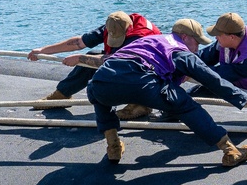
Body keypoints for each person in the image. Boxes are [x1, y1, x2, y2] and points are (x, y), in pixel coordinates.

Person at [86, 18, 247, 166]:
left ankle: (113, 147)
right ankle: (230, 150)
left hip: (103, 79)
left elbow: (123, 63)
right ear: (185, 38)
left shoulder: (150, 40)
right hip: (142, 81)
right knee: (186, 106)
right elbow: (213, 81)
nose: (198, 48)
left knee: (98, 95)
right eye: (197, 42)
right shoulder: (180, 50)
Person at [28, 11, 160, 119]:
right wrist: (43, 50)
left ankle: (141, 104)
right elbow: (78, 42)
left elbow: (117, 60)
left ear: (128, 30)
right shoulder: (116, 23)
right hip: (124, 61)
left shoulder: (140, 37)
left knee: (91, 60)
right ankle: (62, 94)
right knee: (91, 54)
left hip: (149, 71)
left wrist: (80, 58)